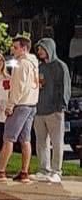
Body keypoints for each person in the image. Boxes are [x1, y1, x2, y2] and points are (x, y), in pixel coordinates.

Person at [0, 35, 40, 183]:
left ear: (24, 48)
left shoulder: (21, 64)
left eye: (15, 47)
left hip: (20, 104)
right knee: (25, 139)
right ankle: (24, 172)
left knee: (8, 138)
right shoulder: (33, 63)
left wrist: (10, 105)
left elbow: (18, 87)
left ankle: (0, 170)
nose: (13, 50)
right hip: (31, 104)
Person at [34, 37, 70, 184]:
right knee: (41, 142)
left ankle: (56, 171)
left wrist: (61, 106)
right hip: (39, 110)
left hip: (55, 111)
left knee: (56, 143)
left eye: (42, 48)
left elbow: (65, 88)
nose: (39, 51)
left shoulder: (60, 66)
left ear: (49, 48)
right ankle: (43, 169)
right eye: (38, 49)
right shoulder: (39, 67)